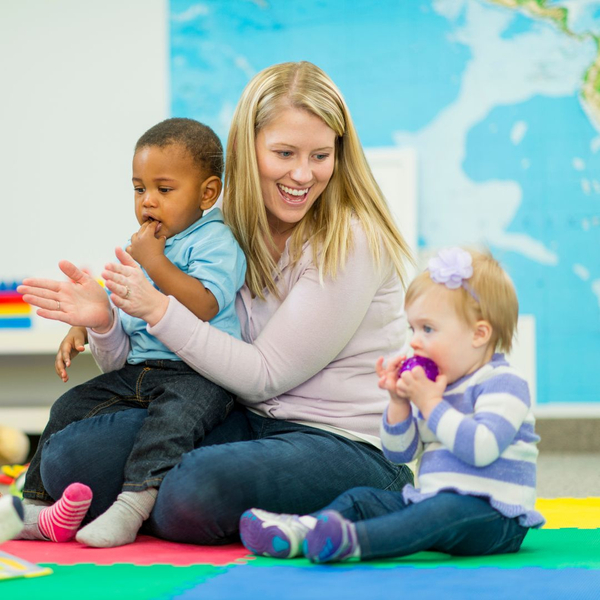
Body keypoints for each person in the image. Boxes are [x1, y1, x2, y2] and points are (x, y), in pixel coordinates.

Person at [17, 61, 414, 547]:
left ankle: (377, 499)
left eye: (320, 155)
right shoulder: (217, 227)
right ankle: (155, 502)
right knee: (69, 460)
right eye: (284, 153)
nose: (302, 174)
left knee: (195, 490)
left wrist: (159, 308)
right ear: (249, 152)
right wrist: (103, 320)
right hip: (241, 419)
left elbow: (265, 374)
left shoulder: (352, 240)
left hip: (341, 441)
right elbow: (136, 358)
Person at [18, 118, 246, 547]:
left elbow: (204, 304)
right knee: (71, 404)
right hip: (142, 369)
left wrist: (155, 261)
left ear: (207, 193)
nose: (148, 202)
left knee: (170, 425)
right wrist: (87, 323)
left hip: (198, 375)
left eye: (164, 189)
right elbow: (128, 308)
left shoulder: (214, 241)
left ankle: (133, 504)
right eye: (140, 189)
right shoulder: (147, 245)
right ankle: (37, 506)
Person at [239, 247, 545, 563]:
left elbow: (482, 448)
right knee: (362, 499)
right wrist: (399, 403)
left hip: (495, 516)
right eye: (413, 328)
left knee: (442, 510)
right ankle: (302, 531)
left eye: (428, 329)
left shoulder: (503, 383)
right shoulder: (437, 388)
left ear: (479, 334)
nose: (414, 340)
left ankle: (353, 542)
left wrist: (430, 404)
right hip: (431, 503)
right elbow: (400, 454)